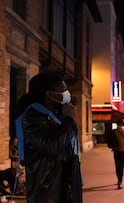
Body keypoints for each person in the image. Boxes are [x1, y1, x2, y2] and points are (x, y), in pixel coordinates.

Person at [15, 72, 82, 203]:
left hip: (64, 189)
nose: (67, 93)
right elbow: (51, 146)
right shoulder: (31, 118)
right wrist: (69, 120)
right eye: (62, 90)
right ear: (49, 94)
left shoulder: (56, 115)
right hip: (46, 193)